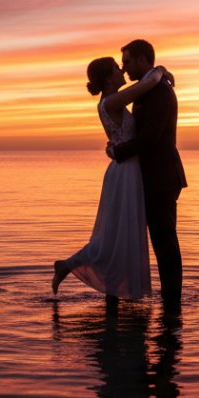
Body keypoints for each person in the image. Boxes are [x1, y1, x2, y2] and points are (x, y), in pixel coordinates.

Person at [52, 56, 171, 299]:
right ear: (108, 77)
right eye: (117, 68)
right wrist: (159, 69)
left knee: (119, 233)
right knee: (113, 233)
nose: (122, 70)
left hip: (127, 170)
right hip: (124, 172)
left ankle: (112, 290)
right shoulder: (112, 101)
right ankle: (68, 265)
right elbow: (147, 84)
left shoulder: (113, 101)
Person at [109, 39, 186, 306]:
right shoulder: (146, 90)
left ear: (142, 60)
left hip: (162, 178)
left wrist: (117, 152)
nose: (124, 68)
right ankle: (155, 296)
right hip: (147, 178)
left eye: (127, 62)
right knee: (152, 240)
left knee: (165, 240)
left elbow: (151, 137)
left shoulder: (160, 93)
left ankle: (172, 303)